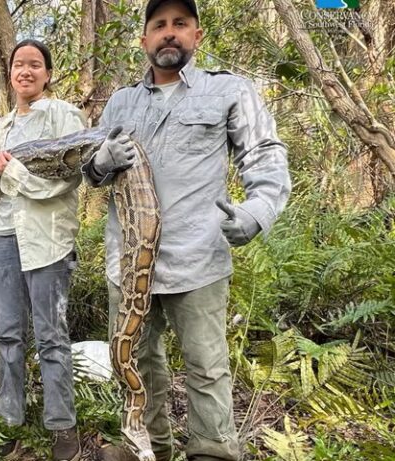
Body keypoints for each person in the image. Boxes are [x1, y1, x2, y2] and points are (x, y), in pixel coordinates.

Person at [83, 0, 291, 460]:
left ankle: (212, 451)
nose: (169, 33)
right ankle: (148, 448)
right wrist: (99, 162)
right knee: (137, 363)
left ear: (196, 35)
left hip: (197, 257)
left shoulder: (228, 91)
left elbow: (265, 155)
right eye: (159, 25)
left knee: (206, 366)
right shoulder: (121, 101)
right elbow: (89, 169)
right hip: (128, 262)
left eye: (180, 24)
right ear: (144, 41)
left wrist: (256, 211)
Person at [0, 39, 114, 461]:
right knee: (8, 334)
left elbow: (66, 181)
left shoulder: (65, 116)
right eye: (18, 65)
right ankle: (8, 418)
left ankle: (61, 424)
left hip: (48, 240)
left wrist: (11, 171)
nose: (26, 71)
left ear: (47, 74)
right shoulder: (0, 127)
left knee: (52, 336)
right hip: (3, 240)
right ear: (10, 73)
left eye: (35, 65)